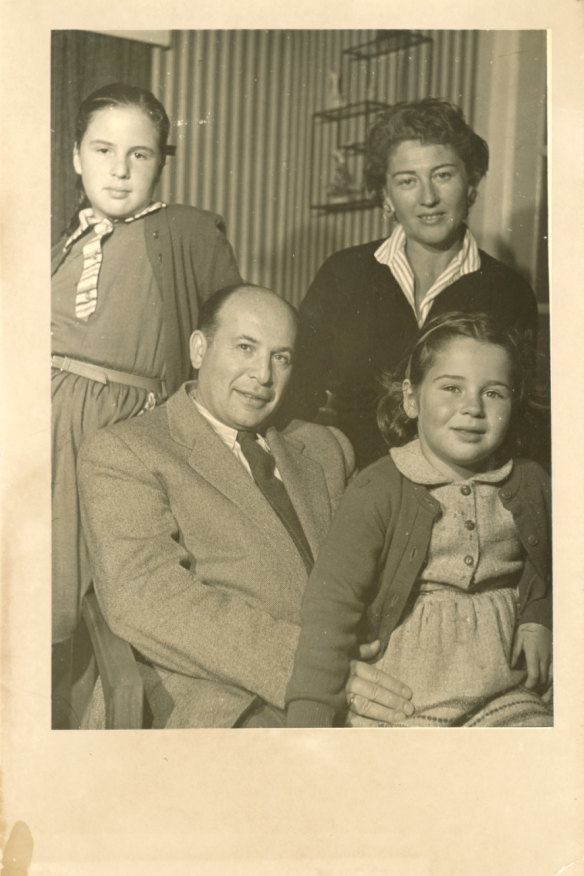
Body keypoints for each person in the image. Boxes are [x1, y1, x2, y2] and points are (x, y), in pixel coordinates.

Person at [77, 284, 414, 728]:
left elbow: (379, 561)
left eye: (281, 357)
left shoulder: (326, 447)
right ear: (200, 349)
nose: (263, 375)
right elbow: (149, 600)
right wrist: (320, 669)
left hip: (356, 677)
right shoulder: (125, 451)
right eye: (245, 348)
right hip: (219, 695)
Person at [286, 312, 553, 727]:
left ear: (515, 402)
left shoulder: (531, 482)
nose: (473, 408)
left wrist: (538, 617)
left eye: (494, 393)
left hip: (508, 689)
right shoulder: (380, 488)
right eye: (451, 387)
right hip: (406, 696)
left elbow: (558, 568)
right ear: (411, 398)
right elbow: (330, 609)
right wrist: (308, 722)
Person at [51, 83, 242, 663]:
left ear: (162, 161)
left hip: (112, 429)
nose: (119, 169)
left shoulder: (184, 230)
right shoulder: (65, 237)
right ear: (77, 156)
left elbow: (231, 331)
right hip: (39, 423)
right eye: (103, 150)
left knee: (93, 601)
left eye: (140, 154)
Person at [283, 98, 539, 469]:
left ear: (471, 183)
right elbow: (298, 395)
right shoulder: (343, 274)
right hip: (354, 483)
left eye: (443, 175)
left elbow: (521, 422)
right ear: (386, 197)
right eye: (407, 181)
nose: (428, 198)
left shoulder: (509, 293)